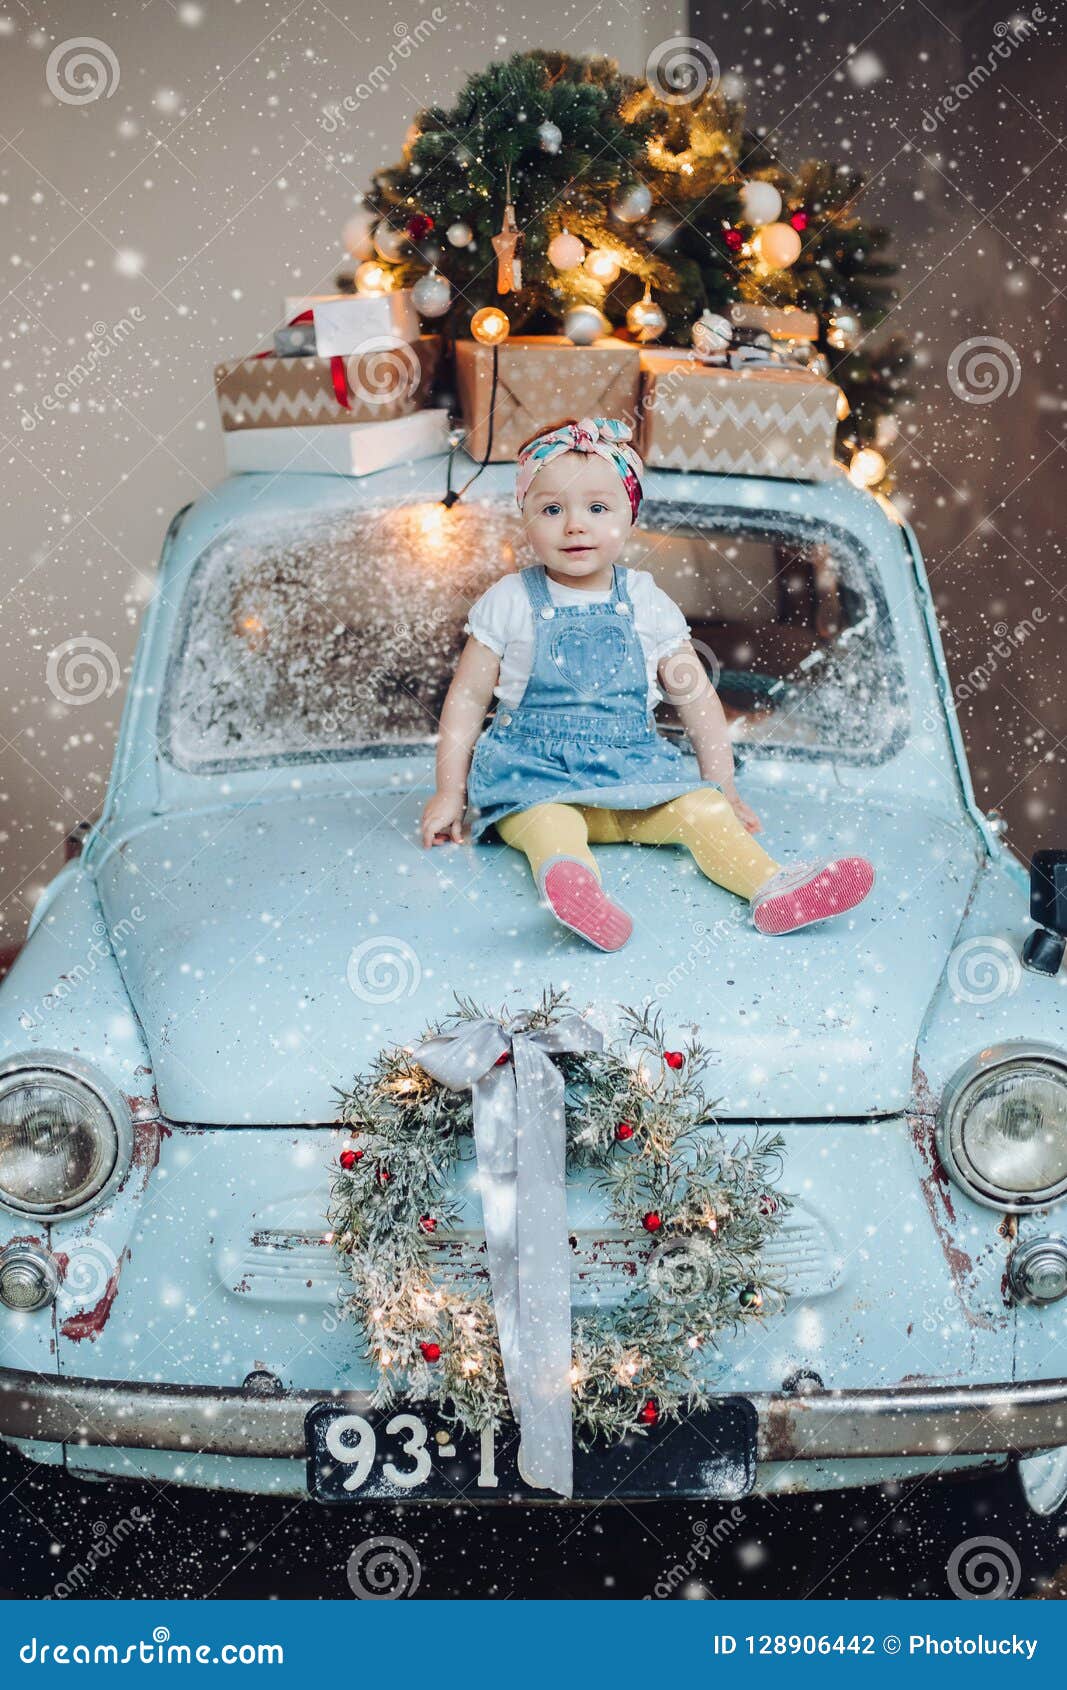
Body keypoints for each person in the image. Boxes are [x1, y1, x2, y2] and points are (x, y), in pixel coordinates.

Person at [420, 415, 874, 951]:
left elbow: (697, 699)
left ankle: (772, 888)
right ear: (525, 518)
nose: (574, 525)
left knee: (701, 811)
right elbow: (468, 698)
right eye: (551, 509)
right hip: (535, 774)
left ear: (629, 517)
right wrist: (449, 790)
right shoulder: (510, 600)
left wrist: (721, 785)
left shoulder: (647, 603)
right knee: (549, 827)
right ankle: (577, 891)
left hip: (634, 774)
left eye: (597, 508)